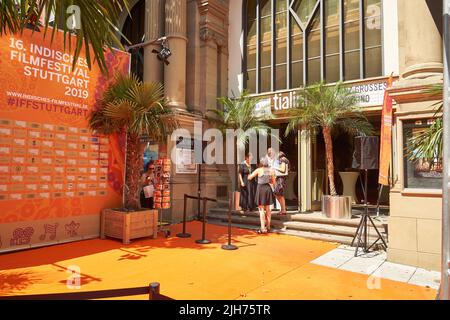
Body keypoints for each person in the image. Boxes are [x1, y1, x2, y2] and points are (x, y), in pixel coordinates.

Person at [249, 157, 276, 234]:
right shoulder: (271, 170)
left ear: (261, 163)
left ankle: (262, 228)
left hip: (260, 189)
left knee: (261, 210)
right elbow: (274, 182)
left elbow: (250, 177)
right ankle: (268, 227)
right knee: (268, 209)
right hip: (267, 188)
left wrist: (249, 174)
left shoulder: (258, 170)